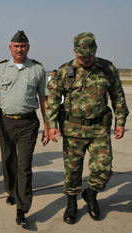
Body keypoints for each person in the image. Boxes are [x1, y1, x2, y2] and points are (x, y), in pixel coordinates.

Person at [46, 32, 129, 224]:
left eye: (89, 55)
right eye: (82, 55)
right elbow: (52, 99)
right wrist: (50, 125)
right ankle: (72, 202)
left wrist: (121, 121)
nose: (86, 59)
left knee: (104, 170)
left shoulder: (107, 69)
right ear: (74, 52)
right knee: (72, 171)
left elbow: (118, 95)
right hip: (73, 129)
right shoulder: (65, 71)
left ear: (95, 50)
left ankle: (90, 194)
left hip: (99, 129)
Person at [0, 31, 49, 225]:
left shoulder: (37, 69)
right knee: (8, 160)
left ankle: (22, 209)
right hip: (5, 122)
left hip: (28, 123)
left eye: (23, 46)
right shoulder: (0, 67)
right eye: (16, 46)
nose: (19, 49)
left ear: (28, 47)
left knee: (24, 165)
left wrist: (48, 126)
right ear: (10, 48)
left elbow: (43, 99)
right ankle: (12, 191)